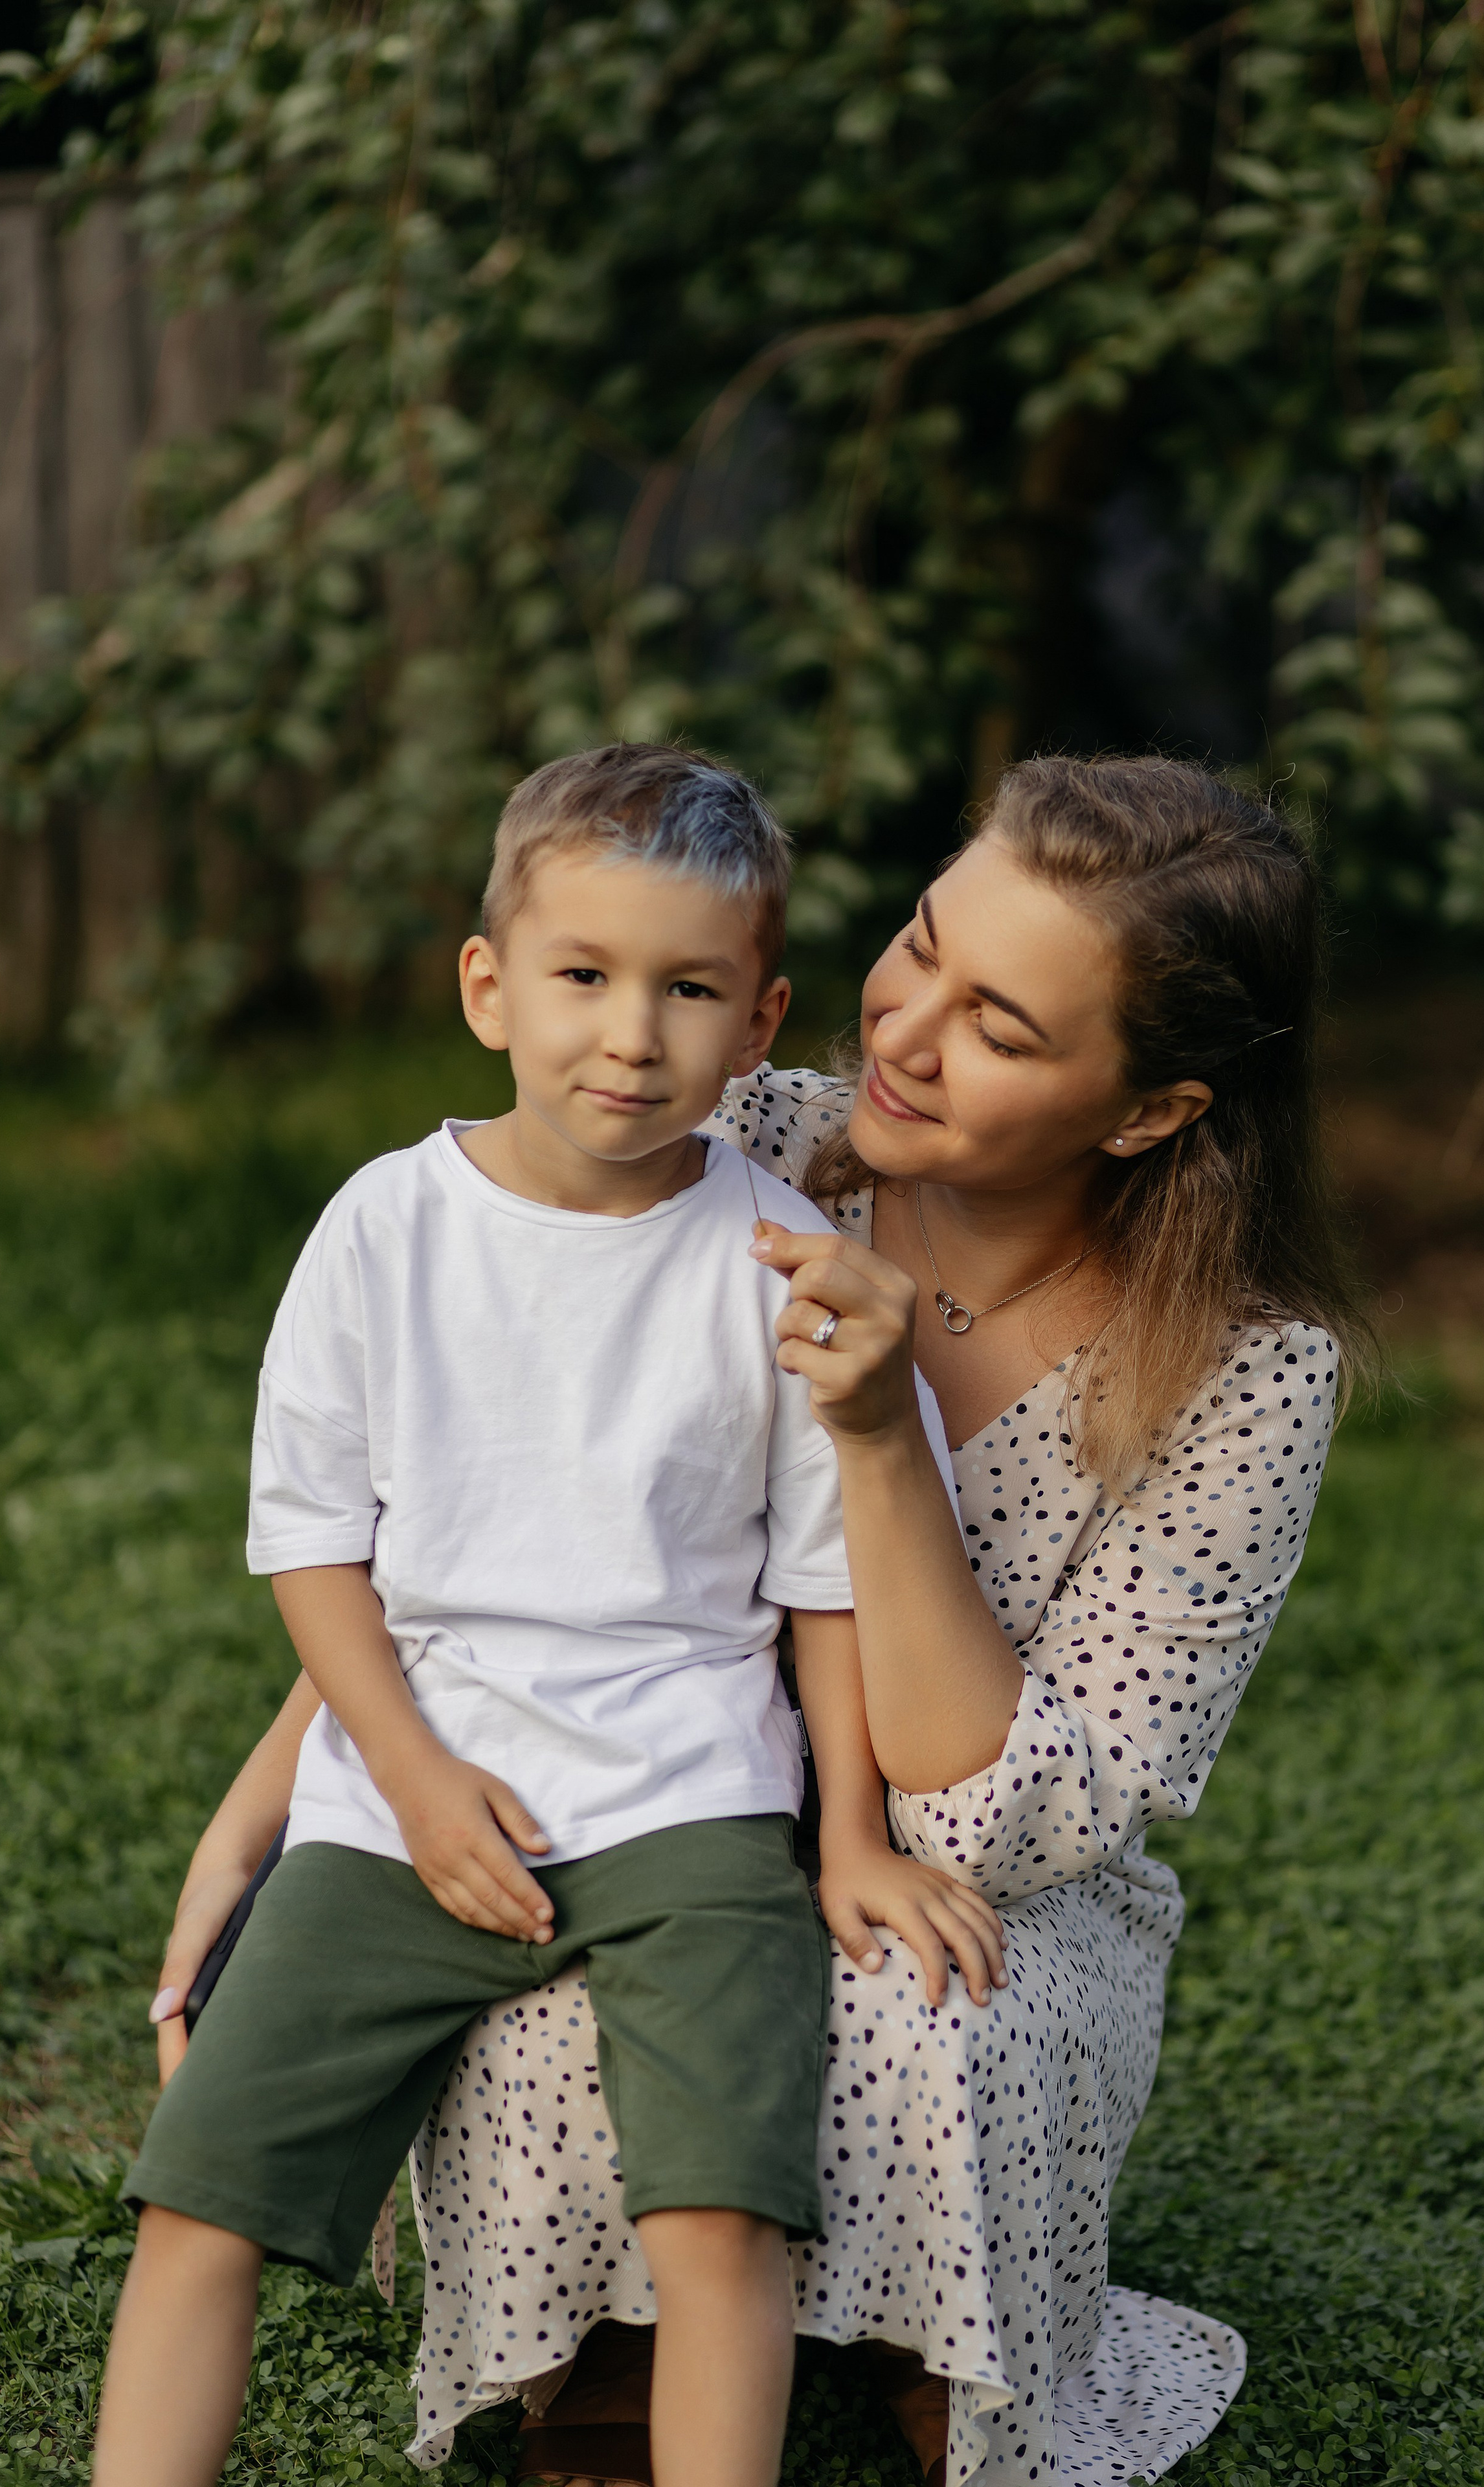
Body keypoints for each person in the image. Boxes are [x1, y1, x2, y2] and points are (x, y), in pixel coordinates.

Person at [153, 752, 1367, 2487]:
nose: (909, 1032)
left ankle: (927, 2333)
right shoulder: (747, 1129)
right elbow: (503, 1518)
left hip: (981, 1878)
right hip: (647, 1765)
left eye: (1001, 1029)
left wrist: (880, 1441)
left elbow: (1003, 1807)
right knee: (543, 1971)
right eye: (923, 948)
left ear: (1147, 1110)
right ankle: (607, 2355)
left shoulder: (1247, 1376)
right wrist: (278, 1803)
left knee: (913, 2014)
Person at [96, 742, 1006, 2487]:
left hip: (690, 1805)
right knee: (199, 2204)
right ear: (488, 989)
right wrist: (414, 1782)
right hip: (406, 1796)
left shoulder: (777, 1258)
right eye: (583, 976)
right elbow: (315, 1553)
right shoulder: (382, 1232)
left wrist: (851, 1837)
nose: (629, 1034)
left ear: (763, 1023)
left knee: (720, 2219)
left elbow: (823, 1590)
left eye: (688, 990)